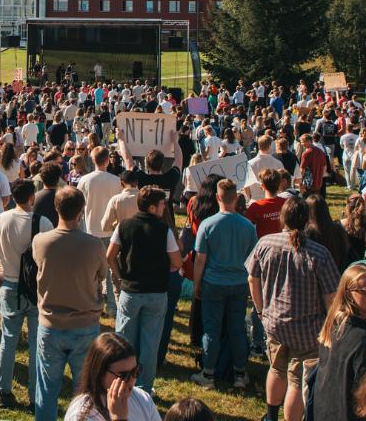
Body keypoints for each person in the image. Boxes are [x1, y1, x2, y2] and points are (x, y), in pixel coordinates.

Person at [245, 195, 340, 421]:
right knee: (296, 380)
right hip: (307, 328)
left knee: (276, 370)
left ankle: (271, 416)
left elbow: (252, 278)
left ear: (282, 217)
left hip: (275, 322)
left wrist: (260, 310)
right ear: (307, 220)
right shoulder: (319, 253)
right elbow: (331, 295)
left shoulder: (266, 243)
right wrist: (331, 324)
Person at [32, 187, 108, 421]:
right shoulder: (94, 245)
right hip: (84, 323)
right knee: (84, 392)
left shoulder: (41, 241)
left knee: (47, 388)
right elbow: (102, 274)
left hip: (51, 323)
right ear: (81, 211)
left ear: (57, 209)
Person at [0, 177, 53, 409]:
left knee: (9, 340)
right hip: (35, 288)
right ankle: (36, 395)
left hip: (10, 283)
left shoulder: (2, 219)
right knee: (37, 344)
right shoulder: (42, 222)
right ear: (32, 197)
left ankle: (3, 390)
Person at [107, 186, 181, 395]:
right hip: (156, 292)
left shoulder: (125, 226)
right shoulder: (163, 230)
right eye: (161, 204)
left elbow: (110, 255)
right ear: (151, 207)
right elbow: (176, 260)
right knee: (150, 343)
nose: (164, 207)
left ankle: (120, 381)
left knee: (124, 341)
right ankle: (144, 388)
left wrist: (120, 275)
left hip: (131, 291)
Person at [190, 178, 256, 390]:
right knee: (236, 329)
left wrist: (197, 284)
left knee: (211, 330)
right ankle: (239, 373)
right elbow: (252, 258)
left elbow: (200, 259)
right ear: (236, 198)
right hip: (238, 282)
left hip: (213, 282)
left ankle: (208, 374)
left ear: (217, 197)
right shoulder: (247, 226)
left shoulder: (208, 225)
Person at [312, 264, 366, 421]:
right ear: (349, 294)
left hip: (323, 412)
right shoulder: (362, 339)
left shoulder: (333, 325)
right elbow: (365, 393)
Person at [63, 332, 159, 421]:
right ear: (100, 373)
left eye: (135, 371)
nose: (131, 380)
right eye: (123, 375)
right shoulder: (81, 415)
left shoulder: (142, 399)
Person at [80, 147, 123, 316]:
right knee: (112, 270)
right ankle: (111, 306)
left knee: (93, 272)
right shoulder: (115, 181)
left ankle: (95, 304)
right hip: (110, 231)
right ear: (107, 161)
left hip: (91, 229)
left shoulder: (84, 180)